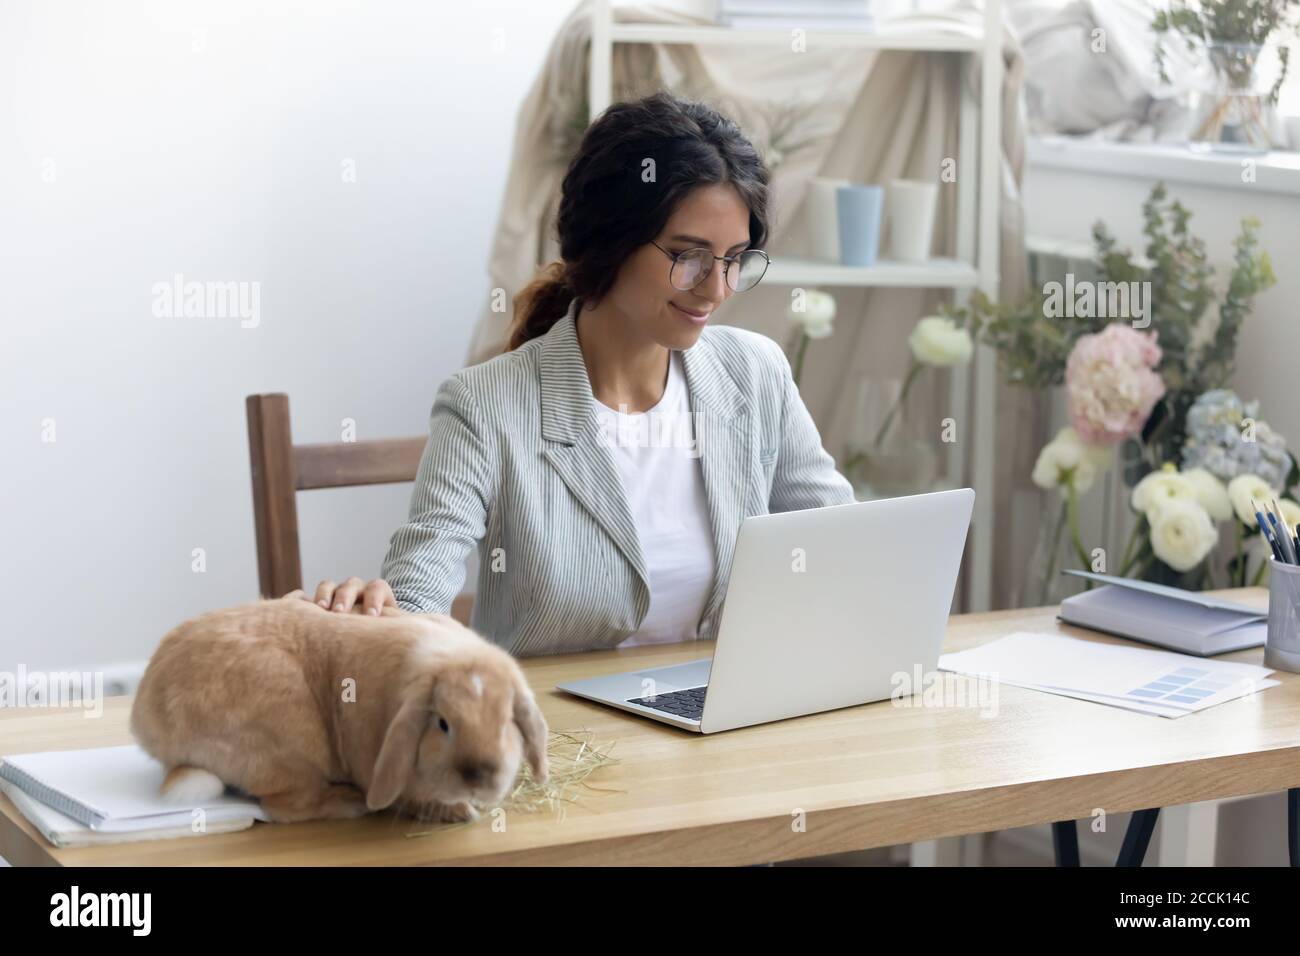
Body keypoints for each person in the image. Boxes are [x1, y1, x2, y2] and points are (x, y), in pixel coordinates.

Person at [307, 91, 853, 656]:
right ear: (610, 242)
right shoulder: (485, 405)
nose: (715, 289)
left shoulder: (755, 373)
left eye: (734, 258)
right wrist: (376, 613)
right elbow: (417, 598)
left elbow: (847, 549)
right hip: (561, 738)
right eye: (687, 255)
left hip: (726, 725)